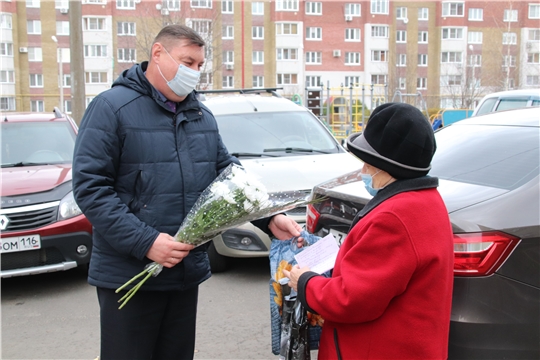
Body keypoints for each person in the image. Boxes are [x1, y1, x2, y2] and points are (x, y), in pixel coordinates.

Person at [72, 25, 302, 360]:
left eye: (199, 66)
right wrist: (146, 242)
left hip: (183, 273)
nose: (194, 73)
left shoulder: (200, 114)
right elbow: (90, 187)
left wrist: (269, 217)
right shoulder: (111, 108)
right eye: (187, 62)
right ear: (157, 54)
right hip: (130, 273)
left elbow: (227, 174)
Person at [283, 102, 454, 359]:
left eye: (368, 164)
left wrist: (305, 282)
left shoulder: (394, 218)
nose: (363, 171)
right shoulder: (427, 201)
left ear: (389, 167)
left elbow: (352, 300)